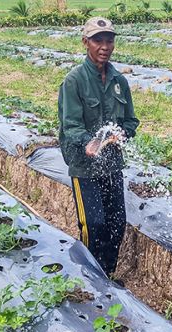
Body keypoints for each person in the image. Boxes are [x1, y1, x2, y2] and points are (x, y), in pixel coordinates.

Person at [58, 17, 140, 276]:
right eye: (97, 40)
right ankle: (88, 277)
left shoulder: (119, 81)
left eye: (109, 40)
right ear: (86, 42)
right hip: (85, 167)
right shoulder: (74, 81)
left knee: (117, 223)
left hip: (112, 164)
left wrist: (122, 134)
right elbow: (70, 126)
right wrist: (89, 142)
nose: (104, 46)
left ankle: (107, 275)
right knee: (92, 223)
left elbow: (130, 120)